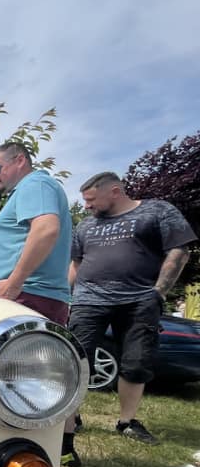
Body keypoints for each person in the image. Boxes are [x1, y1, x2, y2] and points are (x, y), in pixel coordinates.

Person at [68, 172, 196, 444]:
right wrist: (68, 294)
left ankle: (126, 422)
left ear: (115, 191)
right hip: (88, 300)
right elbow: (76, 263)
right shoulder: (86, 225)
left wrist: (159, 292)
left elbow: (179, 251)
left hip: (139, 300)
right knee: (75, 360)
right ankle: (71, 418)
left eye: (91, 200)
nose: (87, 206)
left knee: (136, 362)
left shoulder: (157, 211)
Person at [0, 142, 77, 467]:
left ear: (20, 160)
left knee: (24, 386)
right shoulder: (31, 189)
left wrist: (15, 282)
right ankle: (57, 452)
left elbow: (46, 229)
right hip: (28, 295)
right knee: (40, 381)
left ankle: (35, 459)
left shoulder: (36, 184)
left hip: (27, 296)